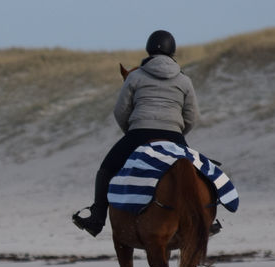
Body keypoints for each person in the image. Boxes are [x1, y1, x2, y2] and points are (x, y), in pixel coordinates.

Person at [72, 29, 203, 237]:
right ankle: (205, 220)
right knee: (200, 172)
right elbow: (193, 116)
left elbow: (120, 110)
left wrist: (132, 133)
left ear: (149, 50)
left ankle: (97, 217)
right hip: (174, 137)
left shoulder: (135, 76)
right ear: (173, 52)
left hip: (139, 133)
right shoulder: (184, 80)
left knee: (106, 169)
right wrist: (177, 134)